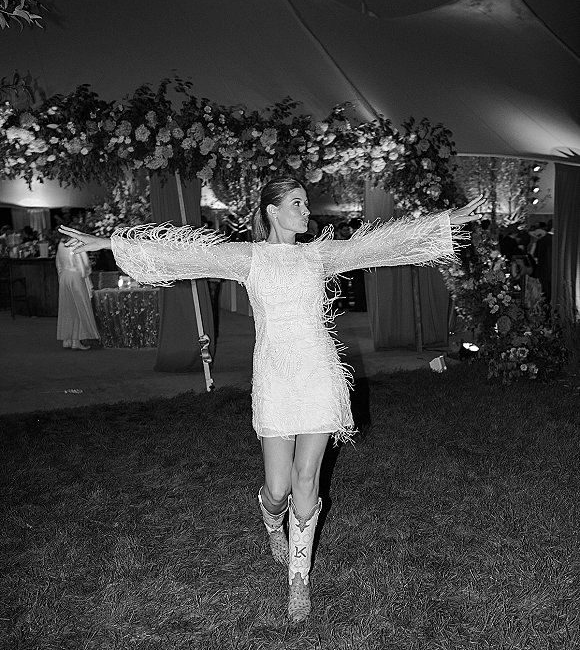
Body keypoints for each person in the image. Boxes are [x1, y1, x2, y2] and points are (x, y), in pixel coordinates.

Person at [59, 177, 484, 624]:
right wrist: (105, 241)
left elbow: (381, 244)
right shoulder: (249, 258)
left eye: (305, 204)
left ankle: (299, 579)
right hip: (275, 379)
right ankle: (270, 522)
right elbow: (180, 254)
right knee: (278, 488)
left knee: (306, 478)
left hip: (319, 373)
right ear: (271, 212)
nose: (307, 212)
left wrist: (445, 223)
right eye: (297, 204)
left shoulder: (319, 254)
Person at [55, 227, 100, 350]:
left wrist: (61, 275)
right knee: (79, 306)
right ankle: (76, 340)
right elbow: (84, 264)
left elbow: (58, 263)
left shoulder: (60, 245)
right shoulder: (76, 245)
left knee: (67, 307)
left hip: (64, 276)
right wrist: (87, 273)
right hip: (76, 276)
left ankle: (67, 339)